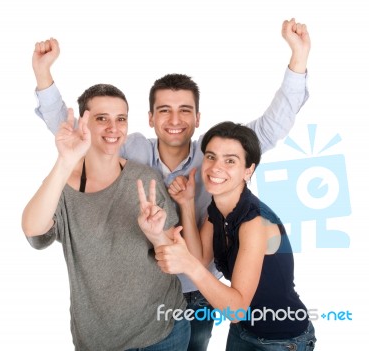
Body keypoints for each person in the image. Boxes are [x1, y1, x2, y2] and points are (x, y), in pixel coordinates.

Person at [31, 18, 311, 350]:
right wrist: (44, 77)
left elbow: (268, 128)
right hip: (144, 294)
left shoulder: (215, 153)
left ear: (197, 118)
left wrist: (298, 59)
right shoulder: (131, 149)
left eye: (184, 111)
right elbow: (78, 135)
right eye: (164, 110)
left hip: (199, 292)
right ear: (150, 118)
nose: (175, 120)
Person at [21, 84, 190, 350]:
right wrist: (66, 160)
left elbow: (173, 258)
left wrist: (156, 234)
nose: (114, 128)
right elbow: (34, 233)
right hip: (98, 341)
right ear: (84, 123)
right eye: (102, 119)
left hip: (163, 333)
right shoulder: (63, 185)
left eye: (120, 119)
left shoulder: (145, 179)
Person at [156, 121, 316, 350]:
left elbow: (236, 309)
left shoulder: (254, 224)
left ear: (248, 170)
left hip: (282, 340)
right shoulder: (219, 208)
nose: (215, 167)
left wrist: (187, 263)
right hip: (243, 330)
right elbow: (201, 258)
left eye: (230, 160)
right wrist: (187, 202)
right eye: (211, 157)